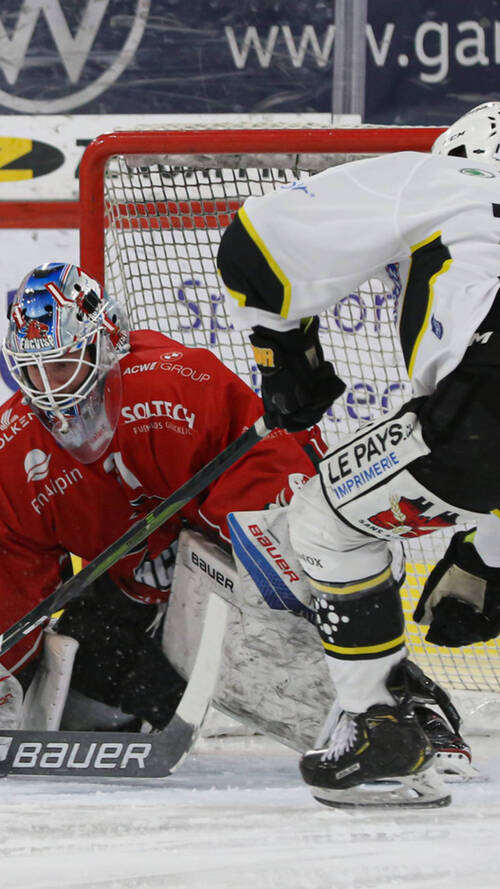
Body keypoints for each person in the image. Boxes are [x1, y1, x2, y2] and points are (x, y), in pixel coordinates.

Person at [216, 101, 500, 807]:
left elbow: (255, 241)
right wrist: (483, 558)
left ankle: (379, 727)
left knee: (325, 519)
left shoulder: (444, 179)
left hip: (484, 409)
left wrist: (286, 354)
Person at [0, 260, 327, 734]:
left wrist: (300, 572)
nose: (51, 389)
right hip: (133, 595)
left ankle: (396, 705)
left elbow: (270, 480)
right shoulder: (16, 450)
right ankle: (154, 713)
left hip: (225, 579)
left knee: (289, 613)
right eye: (36, 371)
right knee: (87, 689)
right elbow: (10, 561)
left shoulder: (176, 384)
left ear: (105, 341)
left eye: (64, 364)